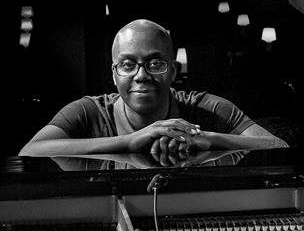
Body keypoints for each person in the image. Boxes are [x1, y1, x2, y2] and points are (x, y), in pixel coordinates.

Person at [20, 19, 286, 162]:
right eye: (127, 65)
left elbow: (278, 146)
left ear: (172, 70)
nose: (141, 75)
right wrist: (132, 141)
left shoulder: (207, 108)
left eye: (155, 64)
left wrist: (206, 139)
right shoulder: (88, 111)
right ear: (114, 74)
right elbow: (30, 152)